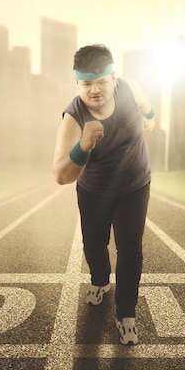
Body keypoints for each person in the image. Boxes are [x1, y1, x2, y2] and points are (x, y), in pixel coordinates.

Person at [52, 44, 155, 345]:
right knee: (94, 244)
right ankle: (99, 282)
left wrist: (150, 117)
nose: (94, 90)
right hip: (95, 191)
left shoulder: (130, 89)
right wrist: (81, 147)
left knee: (130, 249)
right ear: (77, 84)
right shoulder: (73, 118)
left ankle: (126, 314)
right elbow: (60, 175)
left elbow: (147, 104)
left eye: (101, 82)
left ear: (113, 77)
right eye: (86, 84)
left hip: (134, 187)